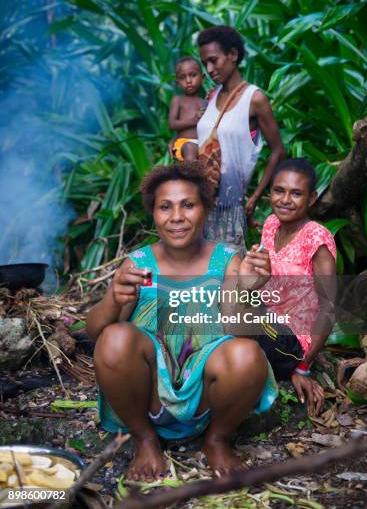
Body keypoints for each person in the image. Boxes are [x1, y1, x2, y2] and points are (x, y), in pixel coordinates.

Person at [86, 162, 278, 481]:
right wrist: (113, 298)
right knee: (115, 337)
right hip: (147, 397)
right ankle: (144, 439)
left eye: (188, 205)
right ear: (153, 214)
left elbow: (241, 333)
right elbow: (95, 334)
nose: (177, 216)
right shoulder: (140, 265)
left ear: (206, 210)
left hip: (208, 398)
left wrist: (247, 289)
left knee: (246, 352)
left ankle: (216, 440)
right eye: (165, 207)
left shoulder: (226, 261)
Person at [247, 158, 337, 416]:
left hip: (291, 340)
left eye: (296, 193)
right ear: (270, 193)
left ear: (311, 198)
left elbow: (329, 308)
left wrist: (303, 367)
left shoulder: (316, 239)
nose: (285, 199)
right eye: (279, 190)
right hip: (264, 318)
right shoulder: (271, 224)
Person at [197, 25, 285, 252]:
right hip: (199, 202)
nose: (209, 69)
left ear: (233, 55)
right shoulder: (211, 97)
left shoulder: (254, 99)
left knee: (227, 276)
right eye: (205, 63)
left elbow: (278, 150)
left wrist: (254, 197)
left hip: (230, 207)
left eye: (213, 60)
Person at [168, 57, 207, 161]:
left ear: (202, 78)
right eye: (182, 78)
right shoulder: (178, 100)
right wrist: (194, 120)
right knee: (190, 148)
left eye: (193, 75)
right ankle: (192, 176)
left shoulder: (206, 103)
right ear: (178, 83)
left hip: (203, 145)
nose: (188, 81)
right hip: (183, 145)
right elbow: (172, 124)